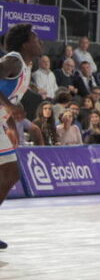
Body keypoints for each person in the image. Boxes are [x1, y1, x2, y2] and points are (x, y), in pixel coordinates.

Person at [0, 25, 43, 248]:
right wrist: (9, 107)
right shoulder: (13, 60)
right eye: (35, 38)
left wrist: (9, 123)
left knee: (9, 174)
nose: (40, 42)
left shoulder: (26, 66)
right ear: (25, 43)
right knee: (10, 173)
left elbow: (9, 97)